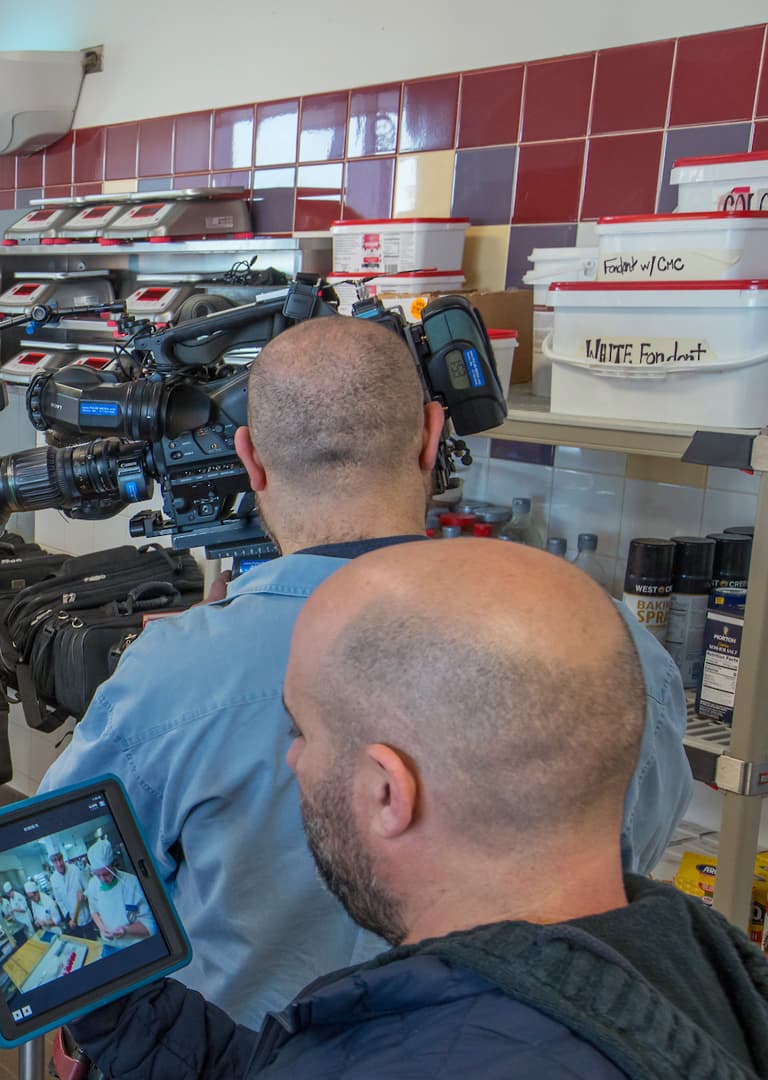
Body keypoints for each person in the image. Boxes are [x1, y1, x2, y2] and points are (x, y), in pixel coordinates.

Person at [38, 317, 691, 1027]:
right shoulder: (607, 640)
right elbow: (627, 855)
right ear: (432, 437)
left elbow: (66, 899)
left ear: (250, 459)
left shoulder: (176, 672)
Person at [71, 541, 768, 1078]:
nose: (292, 761)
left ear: (386, 793)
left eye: (301, 733)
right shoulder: (701, 964)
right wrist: (128, 1017)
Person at [84, 863, 152, 950]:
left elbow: (149, 925)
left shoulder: (132, 883)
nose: (103, 879)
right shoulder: (93, 884)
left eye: (106, 874)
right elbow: (93, 911)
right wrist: (101, 927)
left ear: (113, 865)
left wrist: (126, 930)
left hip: (134, 944)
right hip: (110, 944)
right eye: (98, 875)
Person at [47, 850, 88, 934]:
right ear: (52, 863)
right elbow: (60, 901)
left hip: (85, 914)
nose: (59, 864)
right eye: (55, 861)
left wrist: (84, 896)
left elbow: (88, 890)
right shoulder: (53, 879)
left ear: (62, 858)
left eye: (60, 859)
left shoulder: (75, 870)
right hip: (72, 919)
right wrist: (68, 918)